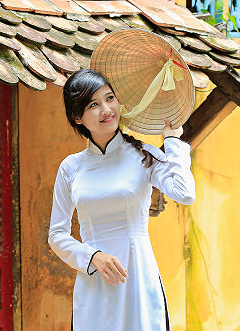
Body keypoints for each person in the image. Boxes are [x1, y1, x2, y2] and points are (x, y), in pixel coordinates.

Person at [48, 69, 195, 331]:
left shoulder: (144, 157)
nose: (107, 109)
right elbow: (57, 234)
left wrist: (172, 141)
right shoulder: (71, 167)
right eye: (94, 104)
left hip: (137, 276)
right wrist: (92, 256)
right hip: (94, 279)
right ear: (77, 117)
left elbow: (184, 192)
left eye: (110, 98)